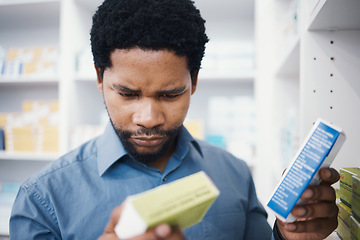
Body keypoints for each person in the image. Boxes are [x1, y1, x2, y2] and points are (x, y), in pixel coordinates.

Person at [10, 0, 339, 239]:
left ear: (193, 81)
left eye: (169, 95)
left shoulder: (234, 173)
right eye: (127, 93)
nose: (149, 118)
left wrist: (289, 236)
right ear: (99, 77)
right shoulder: (42, 199)